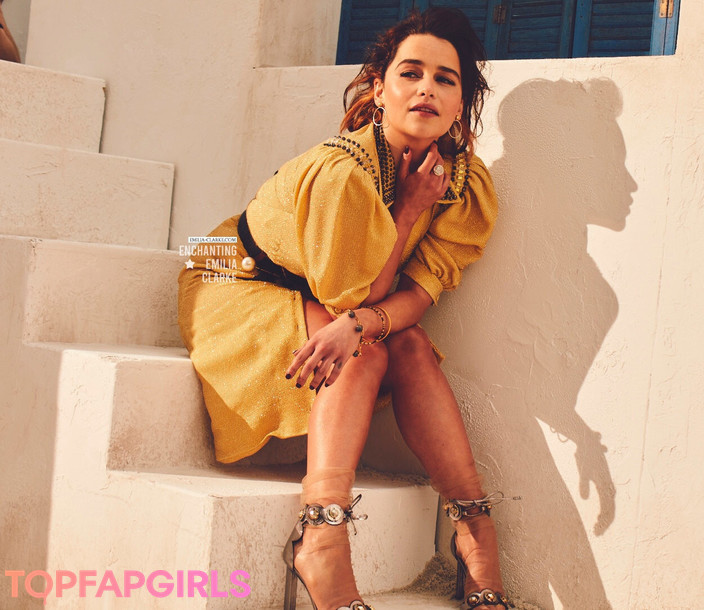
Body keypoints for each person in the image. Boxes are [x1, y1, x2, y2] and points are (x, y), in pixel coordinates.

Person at [177, 8, 512, 610]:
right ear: (379, 89)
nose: (427, 89)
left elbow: (422, 292)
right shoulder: (343, 171)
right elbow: (353, 300)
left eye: (446, 79)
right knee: (365, 348)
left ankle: (474, 528)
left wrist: (361, 322)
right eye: (410, 73)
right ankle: (322, 538)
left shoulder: (461, 180)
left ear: (462, 103)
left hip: (332, 299)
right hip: (237, 277)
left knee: (405, 342)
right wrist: (406, 212)